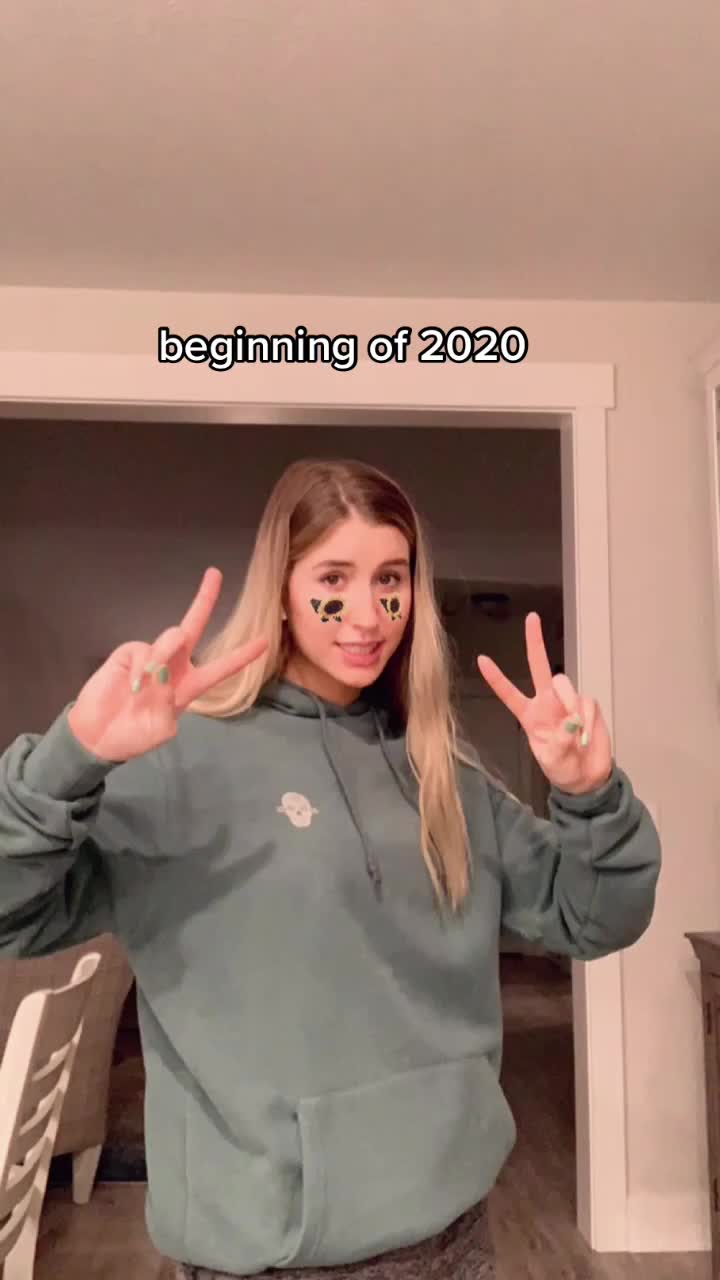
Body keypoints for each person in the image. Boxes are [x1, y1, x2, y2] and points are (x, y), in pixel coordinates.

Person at [0, 458, 661, 1280]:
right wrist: (70, 758)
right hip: (274, 1257)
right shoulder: (182, 763)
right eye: (333, 579)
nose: (367, 614)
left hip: (456, 1234)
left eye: (391, 579)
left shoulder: (443, 775)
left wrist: (592, 794)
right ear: (281, 589)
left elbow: (596, 917)